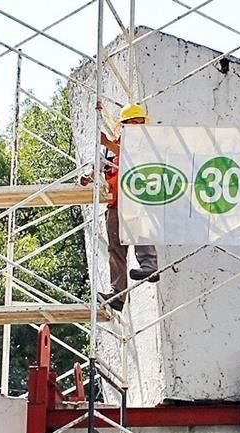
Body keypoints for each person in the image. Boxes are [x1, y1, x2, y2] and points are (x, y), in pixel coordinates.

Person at [81, 103, 159, 311]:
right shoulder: (110, 148)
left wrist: (107, 142)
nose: (135, 127)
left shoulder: (145, 143)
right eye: (131, 123)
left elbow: (132, 155)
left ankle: (149, 267)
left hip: (136, 197)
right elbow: (99, 163)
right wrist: (88, 175)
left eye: (138, 123)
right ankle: (117, 294)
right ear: (123, 125)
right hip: (116, 202)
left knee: (141, 234)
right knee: (115, 249)